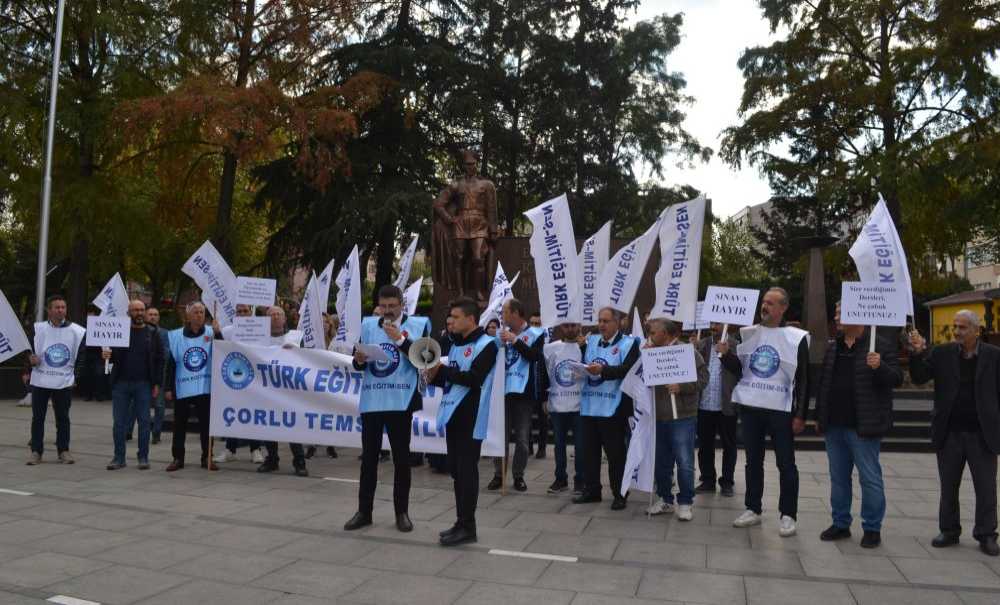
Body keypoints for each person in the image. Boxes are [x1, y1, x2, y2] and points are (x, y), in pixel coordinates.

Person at [719, 287, 809, 537]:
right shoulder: (748, 334)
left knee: (786, 463)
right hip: (751, 408)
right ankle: (753, 508)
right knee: (752, 462)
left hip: (780, 410)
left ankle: (788, 514)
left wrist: (801, 413)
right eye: (764, 302)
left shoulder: (796, 338)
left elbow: (803, 378)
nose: (765, 306)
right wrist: (726, 356)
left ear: (783, 308)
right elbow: (741, 368)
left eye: (771, 303)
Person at [909, 310, 1000, 556]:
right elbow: (919, 378)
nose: (957, 332)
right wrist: (917, 352)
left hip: (983, 435)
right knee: (949, 486)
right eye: (955, 326)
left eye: (963, 327)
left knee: (986, 488)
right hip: (949, 433)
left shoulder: (994, 356)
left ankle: (987, 534)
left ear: (976, 331)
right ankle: (949, 530)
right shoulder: (942, 353)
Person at [812, 303, 901, 549]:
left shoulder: (879, 345)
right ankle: (841, 523)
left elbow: (896, 379)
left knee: (870, 478)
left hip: (864, 426)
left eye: (841, 314)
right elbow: (824, 385)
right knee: (838, 478)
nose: (836, 318)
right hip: (835, 426)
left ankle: (872, 528)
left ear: (858, 314)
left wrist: (879, 366)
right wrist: (820, 417)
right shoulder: (834, 347)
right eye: (836, 313)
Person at [344, 285, 430, 533]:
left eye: (393, 306)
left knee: (402, 460)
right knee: (368, 459)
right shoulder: (369, 325)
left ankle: (401, 513)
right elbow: (359, 361)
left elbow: (424, 359)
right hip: (373, 400)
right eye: (384, 306)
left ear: (402, 305)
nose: (388, 311)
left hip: (400, 401)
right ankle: (364, 511)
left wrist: (399, 339)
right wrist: (358, 360)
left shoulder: (418, 325)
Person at [426, 297, 498, 546]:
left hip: (471, 415)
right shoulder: (455, 345)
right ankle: (461, 521)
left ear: (470, 319)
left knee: (467, 471)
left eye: (455, 317)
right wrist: (432, 376)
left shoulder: (488, 344)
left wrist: (442, 370)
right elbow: (451, 379)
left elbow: (474, 378)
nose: (451, 321)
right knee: (456, 470)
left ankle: (468, 526)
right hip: (453, 414)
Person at [573, 307, 640, 510]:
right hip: (590, 405)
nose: (601, 324)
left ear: (617, 322)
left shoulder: (629, 344)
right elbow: (585, 363)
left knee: (615, 454)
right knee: (589, 452)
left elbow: (628, 370)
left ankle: (620, 494)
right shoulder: (591, 340)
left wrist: (603, 370)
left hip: (615, 408)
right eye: (599, 320)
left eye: (606, 321)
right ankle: (592, 490)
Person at [646, 318, 708, 520]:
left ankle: (685, 502)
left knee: (684, 461)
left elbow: (703, 379)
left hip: (683, 416)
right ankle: (665, 498)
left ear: (666, 333)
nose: (650, 335)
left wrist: (681, 387)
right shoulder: (650, 351)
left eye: (654, 332)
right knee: (661, 462)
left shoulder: (688, 351)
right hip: (659, 415)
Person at [488, 299, 545, 492]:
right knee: (499, 437)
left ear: (515, 313)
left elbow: (534, 356)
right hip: (501, 392)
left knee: (521, 438)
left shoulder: (536, 334)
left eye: (504, 312)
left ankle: (518, 475)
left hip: (523, 394)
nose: (502, 316)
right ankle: (498, 475)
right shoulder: (499, 334)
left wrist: (514, 340)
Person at [24, 295, 86, 465]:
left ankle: (63, 450)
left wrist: (76, 377)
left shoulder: (77, 331)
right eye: (57, 307)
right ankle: (36, 451)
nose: (60, 310)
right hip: (40, 379)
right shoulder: (38, 328)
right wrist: (30, 359)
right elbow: (28, 348)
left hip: (63, 380)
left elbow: (81, 357)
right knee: (38, 418)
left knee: (63, 418)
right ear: (49, 310)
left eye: (63, 307)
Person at [104, 300, 164, 470]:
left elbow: (160, 360)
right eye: (135, 310)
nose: (139, 313)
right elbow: (113, 356)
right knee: (119, 423)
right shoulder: (119, 332)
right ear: (128, 312)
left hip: (143, 384)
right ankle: (119, 457)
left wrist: (157, 383)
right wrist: (107, 354)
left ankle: (143, 457)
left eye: (141, 310)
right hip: (121, 384)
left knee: (144, 422)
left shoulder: (152, 333)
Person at [255, 305, 309, 476]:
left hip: (290, 390)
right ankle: (272, 459)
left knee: (292, 426)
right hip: (267, 390)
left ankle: (299, 461)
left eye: (279, 314)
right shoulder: (258, 340)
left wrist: (295, 353)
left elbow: (309, 358)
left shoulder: (296, 337)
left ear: (285, 319)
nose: (276, 317)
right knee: (269, 425)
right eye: (272, 314)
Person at [164, 301, 217, 472]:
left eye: (202, 312)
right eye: (195, 312)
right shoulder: (176, 336)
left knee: (206, 425)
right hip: (183, 387)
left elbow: (223, 352)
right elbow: (170, 364)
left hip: (205, 387)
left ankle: (207, 457)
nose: (199, 315)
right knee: (179, 424)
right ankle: (177, 458)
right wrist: (168, 388)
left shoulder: (212, 332)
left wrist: (220, 333)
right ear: (188, 315)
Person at [215, 303, 265, 464]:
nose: (242, 314)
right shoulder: (228, 331)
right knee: (233, 414)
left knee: (253, 414)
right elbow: (220, 348)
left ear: (251, 312)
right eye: (239, 311)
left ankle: (255, 449)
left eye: (245, 311)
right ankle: (230, 449)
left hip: (254, 379)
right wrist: (217, 333)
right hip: (234, 378)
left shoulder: (260, 329)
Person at [695, 322, 739, 497]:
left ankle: (727, 482)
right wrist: (692, 349)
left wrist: (726, 354)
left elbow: (740, 369)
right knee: (705, 445)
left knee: (729, 445)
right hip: (704, 403)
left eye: (717, 323)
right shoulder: (702, 344)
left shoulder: (735, 345)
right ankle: (707, 479)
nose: (713, 326)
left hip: (726, 405)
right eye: (712, 323)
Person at [544, 322, 586, 494]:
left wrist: (584, 349)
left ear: (579, 326)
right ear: (562, 328)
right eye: (567, 326)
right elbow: (544, 372)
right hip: (557, 404)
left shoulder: (586, 348)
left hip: (580, 405)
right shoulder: (550, 348)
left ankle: (580, 481)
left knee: (581, 446)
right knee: (559, 445)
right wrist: (543, 398)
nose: (570, 329)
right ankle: (560, 479)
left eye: (573, 326)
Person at [145, 307, 170, 445]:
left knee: (159, 405)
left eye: (156, 314)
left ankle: (156, 432)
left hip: (159, 374)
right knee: (141, 405)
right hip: (143, 374)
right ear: (145, 316)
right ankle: (133, 430)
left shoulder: (165, 333)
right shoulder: (140, 332)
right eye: (150, 314)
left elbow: (167, 353)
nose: (153, 317)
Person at [528, 311, 549, 459]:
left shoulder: (547, 348)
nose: (535, 326)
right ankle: (528, 446)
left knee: (543, 421)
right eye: (533, 323)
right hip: (528, 390)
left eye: (538, 324)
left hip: (541, 390)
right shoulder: (525, 343)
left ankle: (542, 448)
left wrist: (547, 395)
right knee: (526, 421)